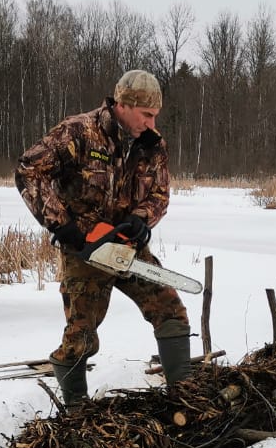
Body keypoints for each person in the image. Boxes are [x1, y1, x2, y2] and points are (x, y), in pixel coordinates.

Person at [16, 70, 192, 407]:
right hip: (86, 249)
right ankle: (77, 412)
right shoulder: (80, 132)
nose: (152, 123)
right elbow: (29, 170)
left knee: (169, 308)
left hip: (126, 247)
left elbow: (159, 193)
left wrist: (143, 219)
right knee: (80, 337)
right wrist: (61, 225)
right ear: (123, 105)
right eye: (147, 115)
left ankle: (184, 397)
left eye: (156, 115)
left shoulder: (153, 145)